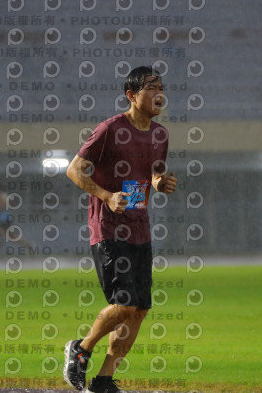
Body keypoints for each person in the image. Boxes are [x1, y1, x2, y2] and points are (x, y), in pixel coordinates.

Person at [63, 66, 178, 393]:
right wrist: (106, 195)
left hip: (140, 227)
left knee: (139, 310)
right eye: (151, 87)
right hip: (109, 227)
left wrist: (161, 183)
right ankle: (81, 348)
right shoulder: (110, 129)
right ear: (131, 95)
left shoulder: (160, 135)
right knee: (125, 302)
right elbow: (74, 170)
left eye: (161, 87)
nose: (159, 94)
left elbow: (153, 175)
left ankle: (103, 380)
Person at [0, 183, 34, 255]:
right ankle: (29, 245)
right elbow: (10, 204)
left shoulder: (2, 196)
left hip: (4, 218)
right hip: (4, 218)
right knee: (12, 237)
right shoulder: (3, 196)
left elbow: (5, 206)